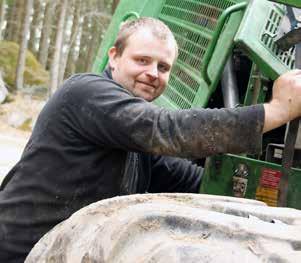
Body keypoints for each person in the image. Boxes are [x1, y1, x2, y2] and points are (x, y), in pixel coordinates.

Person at [0, 17, 301, 262]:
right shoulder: (85, 92)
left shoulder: (135, 144)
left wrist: (270, 203)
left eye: (163, 67)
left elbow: (196, 184)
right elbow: (166, 129)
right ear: (114, 57)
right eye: (142, 60)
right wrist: (275, 111)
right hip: (22, 252)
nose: (152, 73)